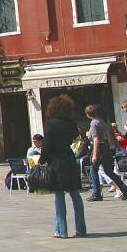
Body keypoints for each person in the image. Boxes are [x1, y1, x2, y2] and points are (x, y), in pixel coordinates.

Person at [39, 95, 86, 238]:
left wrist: (42, 159)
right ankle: (81, 229)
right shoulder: (71, 123)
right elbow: (74, 138)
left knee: (59, 195)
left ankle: (61, 230)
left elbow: (47, 145)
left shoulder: (50, 123)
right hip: (69, 159)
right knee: (75, 194)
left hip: (56, 161)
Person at [85, 105, 127, 201]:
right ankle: (125, 190)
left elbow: (96, 139)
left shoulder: (94, 123)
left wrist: (94, 154)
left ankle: (97, 193)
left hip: (99, 147)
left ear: (88, 114)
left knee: (94, 171)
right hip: (106, 147)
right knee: (109, 171)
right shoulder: (103, 122)